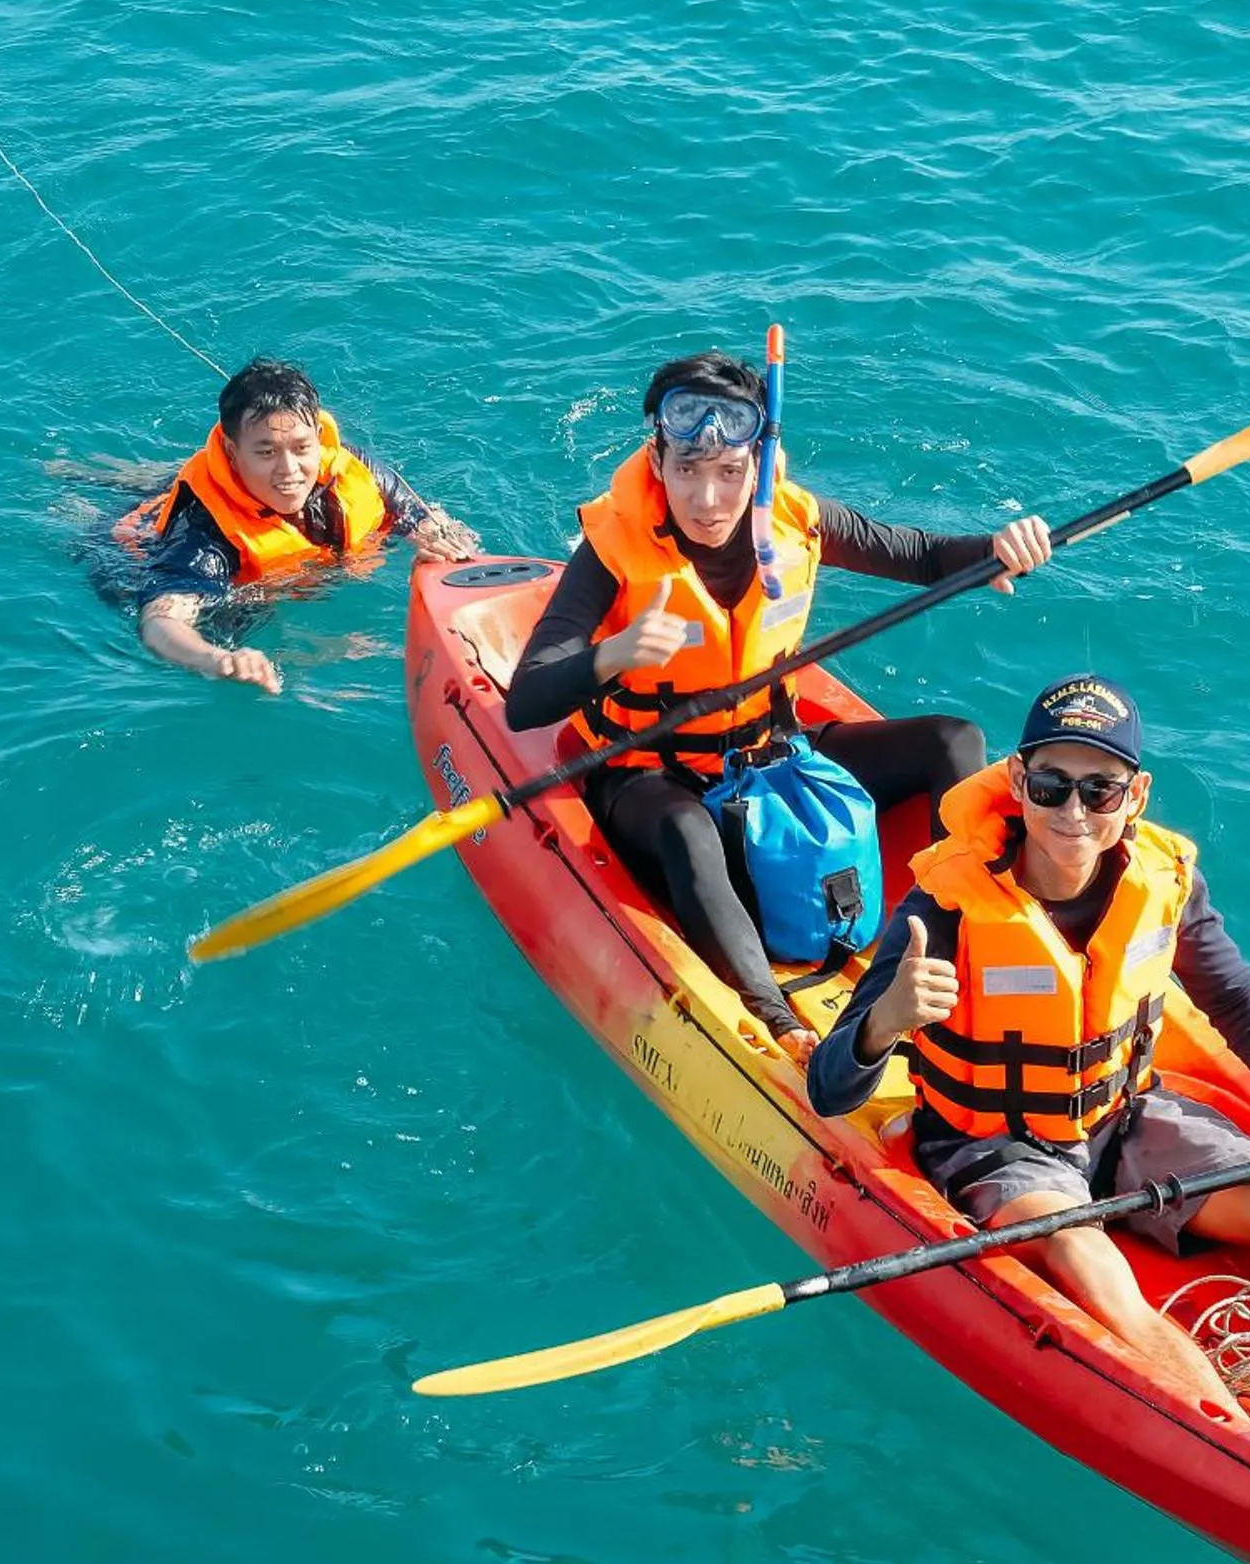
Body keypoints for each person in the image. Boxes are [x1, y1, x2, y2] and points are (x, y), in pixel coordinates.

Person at [806, 675, 1250, 1451]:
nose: (1073, 812)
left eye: (1100, 789)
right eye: (1052, 784)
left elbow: (1233, 994)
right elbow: (829, 1088)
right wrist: (886, 1019)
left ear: (1136, 795)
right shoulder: (943, 907)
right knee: (1078, 1245)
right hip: (998, 1146)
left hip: (1122, 1119)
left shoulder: (1164, 881)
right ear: (1019, 782)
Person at [504, 350, 1055, 1062]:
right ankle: (779, 1019)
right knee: (687, 832)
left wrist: (996, 551)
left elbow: (918, 554)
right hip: (646, 773)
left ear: (761, 464)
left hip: (773, 750)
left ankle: (954, 938)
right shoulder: (614, 547)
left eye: (730, 472)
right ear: (656, 459)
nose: (707, 499)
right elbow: (527, 698)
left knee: (953, 740)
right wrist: (618, 653)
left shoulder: (796, 520)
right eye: (686, 472)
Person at [126, 357, 481, 693]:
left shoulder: (352, 470)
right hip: (131, 537)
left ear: (318, 438)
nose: (290, 470)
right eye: (266, 452)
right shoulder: (205, 533)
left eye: (301, 448)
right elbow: (160, 621)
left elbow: (427, 520)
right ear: (232, 453)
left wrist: (443, 547)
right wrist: (217, 658)